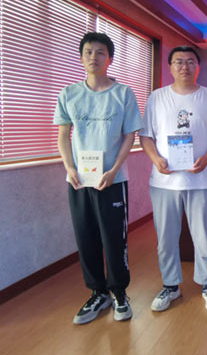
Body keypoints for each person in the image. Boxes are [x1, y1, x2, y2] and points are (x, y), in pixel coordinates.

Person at [54, 32, 142, 324]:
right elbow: (63, 134)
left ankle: (119, 293)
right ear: (81, 58)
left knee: (114, 239)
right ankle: (97, 293)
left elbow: (130, 135)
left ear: (110, 59)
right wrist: (69, 167)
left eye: (100, 52)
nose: (94, 57)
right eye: (88, 52)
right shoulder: (69, 94)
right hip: (79, 180)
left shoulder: (123, 93)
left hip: (112, 180)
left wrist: (114, 169)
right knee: (86, 236)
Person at [140, 46, 207, 313]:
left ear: (198, 66)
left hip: (201, 181)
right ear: (170, 67)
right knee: (166, 238)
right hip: (164, 182)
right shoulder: (157, 97)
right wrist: (156, 159)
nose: (184, 66)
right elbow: (146, 136)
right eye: (178, 62)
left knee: (204, 237)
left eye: (189, 62)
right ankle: (170, 285)